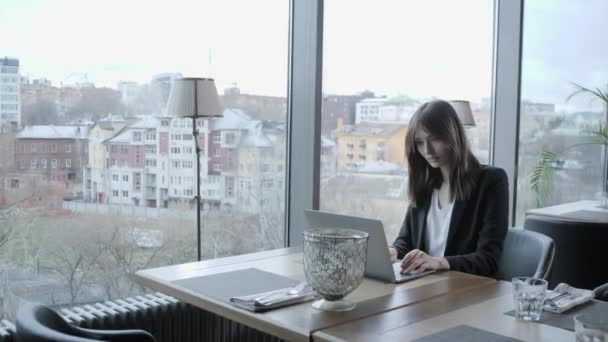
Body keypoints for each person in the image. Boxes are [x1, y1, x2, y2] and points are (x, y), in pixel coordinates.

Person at [388, 99, 508, 277]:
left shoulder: (491, 181)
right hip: (425, 286)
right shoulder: (425, 185)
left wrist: (440, 262)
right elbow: (406, 241)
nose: (427, 150)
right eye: (419, 142)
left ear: (453, 135)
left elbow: (488, 259)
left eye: (434, 139)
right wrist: (394, 251)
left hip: (469, 290)